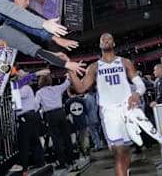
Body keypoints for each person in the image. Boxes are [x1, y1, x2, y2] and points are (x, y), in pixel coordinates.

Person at [68, 33, 146, 176]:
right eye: (102, 39)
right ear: (99, 45)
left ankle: (125, 171)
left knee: (126, 150)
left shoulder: (125, 62)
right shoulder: (94, 67)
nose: (105, 40)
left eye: (108, 38)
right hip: (109, 113)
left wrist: (136, 94)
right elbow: (80, 88)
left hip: (127, 111)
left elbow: (140, 84)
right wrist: (69, 70)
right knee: (119, 151)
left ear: (114, 43)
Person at [13, 68, 50, 176]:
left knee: (24, 143)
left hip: (26, 117)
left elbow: (15, 95)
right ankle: (40, 162)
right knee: (34, 141)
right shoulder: (27, 88)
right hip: (31, 116)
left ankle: (24, 167)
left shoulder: (25, 88)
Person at [35, 74, 74, 170]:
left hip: (51, 115)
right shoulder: (57, 88)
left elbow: (35, 106)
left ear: (40, 82)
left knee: (57, 140)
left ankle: (62, 162)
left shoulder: (39, 93)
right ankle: (71, 159)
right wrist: (68, 75)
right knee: (66, 137)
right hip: (61, 113)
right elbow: (67, 83)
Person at [66, 86, 90, 154]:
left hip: (74, 122)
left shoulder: (68, 102)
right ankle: (86, 147)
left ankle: (81, 149)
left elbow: (68, 114)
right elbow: (85, 111)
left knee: (77, 137)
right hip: (83, 120)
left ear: (69, 92)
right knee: (85, 135)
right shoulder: (81, 100)